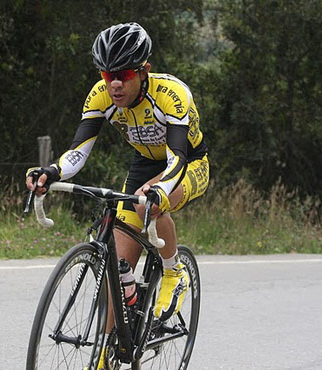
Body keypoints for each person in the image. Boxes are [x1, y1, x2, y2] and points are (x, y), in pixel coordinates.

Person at [26, 22, 209, 369]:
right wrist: (51, 173)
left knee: (154, 205)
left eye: (123, 74)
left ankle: (173, 273)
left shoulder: (171, 95)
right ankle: (107, 358)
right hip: (143, 163)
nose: (114, 83)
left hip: (186, 163)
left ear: (144, 71)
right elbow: (79, 150)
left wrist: (157, 191)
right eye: (107, 73)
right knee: (117, 269)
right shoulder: (101, 95)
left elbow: (177, 158)